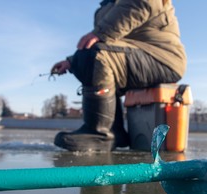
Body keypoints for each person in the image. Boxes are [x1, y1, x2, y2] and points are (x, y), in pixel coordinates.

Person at [51, 0, 186, 152]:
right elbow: (110, 43)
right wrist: (72, 61)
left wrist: (100, 33)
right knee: (87, 58)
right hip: (134, 53)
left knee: (96, 57)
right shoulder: (106, 6)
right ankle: (114, 132)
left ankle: (100, 134)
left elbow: (140, 4)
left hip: (162, 58)